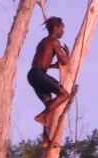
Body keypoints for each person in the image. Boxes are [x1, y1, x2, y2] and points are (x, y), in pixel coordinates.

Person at [27, 17, 71, 146]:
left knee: (50, 105)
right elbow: (65, 62)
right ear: (55, 28)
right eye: (62, 28)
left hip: (33, 74)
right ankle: (42, 116)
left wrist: (53, 66)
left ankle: (46, 139)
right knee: (65, 94)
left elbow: (43, 61)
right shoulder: (54, 41)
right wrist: (66, 53)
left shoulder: (43, 42)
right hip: (39, 74)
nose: (63, 31)